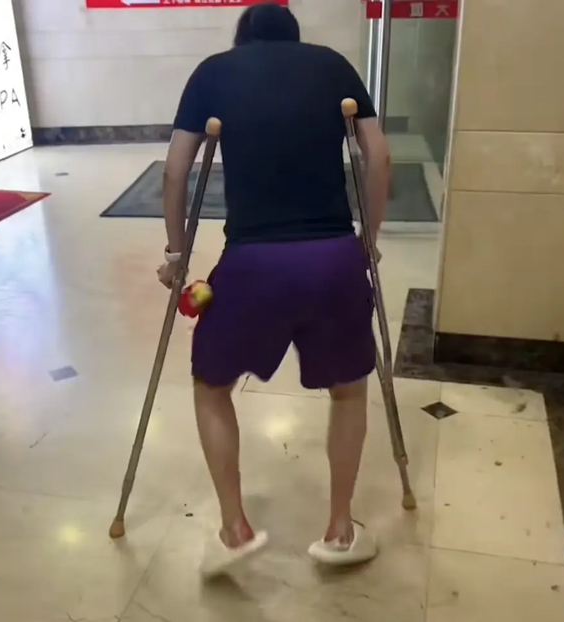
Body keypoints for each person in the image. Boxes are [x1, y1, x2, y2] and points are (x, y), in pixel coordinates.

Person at [157, 3, 390, 576]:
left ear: (243, 39)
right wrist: (369, 241)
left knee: (211, 386)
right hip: (333, 259)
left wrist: (175, 255)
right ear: (295, 37)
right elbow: (378, 155)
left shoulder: (213, 71)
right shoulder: (333, 65)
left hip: (252, 265)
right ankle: (340, 530)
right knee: (349, 392)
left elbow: (175, 170)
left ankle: (234, 529)